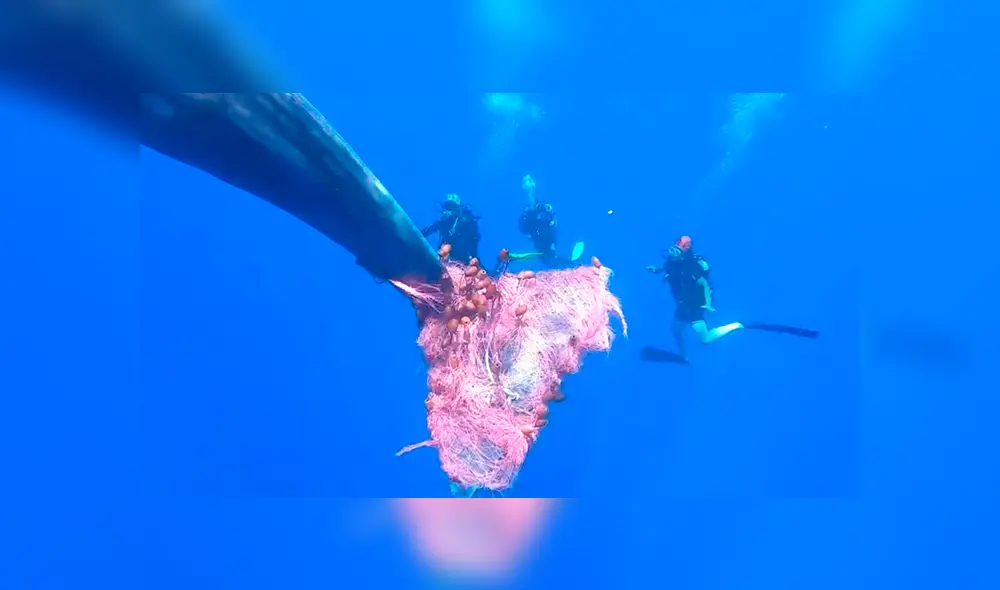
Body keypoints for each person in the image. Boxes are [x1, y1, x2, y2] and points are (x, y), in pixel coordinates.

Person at [643, 235, 744, 363]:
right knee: (676, 329)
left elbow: (704, 284)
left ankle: (736, 325)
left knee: (705, 339)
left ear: (688, 248)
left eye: (684, 245)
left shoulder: (692, 265)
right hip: (682, 303)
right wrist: (657, 269)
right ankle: (684, 356)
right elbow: (669, 268)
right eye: (679, 243)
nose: (679, 247)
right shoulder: (673, 260)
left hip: (695, 305)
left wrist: (707, 303)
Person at [504, 174, 583, 270]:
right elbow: (525, 230)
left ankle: (568, 261)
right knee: (548, 258)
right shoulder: (528, 214)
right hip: (540, 239)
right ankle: (567, 261)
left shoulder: (543, 209)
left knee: (550, 258)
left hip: (546, 238)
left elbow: (551, 224)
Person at [421, 193, 481, 265]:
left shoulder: (467, 220)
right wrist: (419, 233)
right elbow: (432, 228)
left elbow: (475, 237)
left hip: (465, 259)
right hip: (445, 257)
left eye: (452, 206)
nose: (449, 210)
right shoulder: (444, 221)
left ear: (458, 207)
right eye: (447, 207)